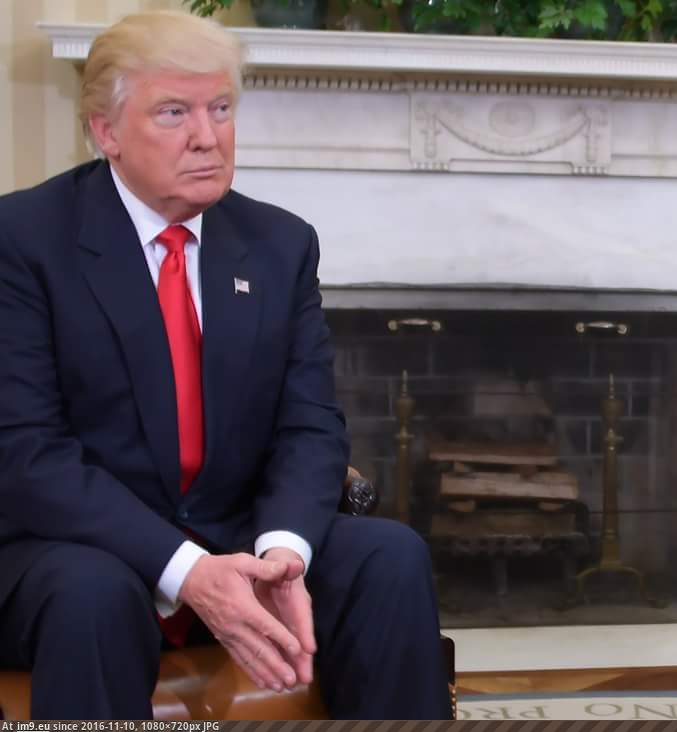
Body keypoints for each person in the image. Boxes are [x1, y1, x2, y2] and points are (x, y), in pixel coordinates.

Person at [0, 10, 450, 720]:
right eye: (174, 112)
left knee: (388, 557)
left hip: (239, 540)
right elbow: (25, 454)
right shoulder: (24, 239)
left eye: (220, 109)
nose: (207, 137)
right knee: (94, 593)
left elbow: (310, 427)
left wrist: (283, 554)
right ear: (105, 132)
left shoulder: (280, 244)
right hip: (74, 548)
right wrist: (187, 570)